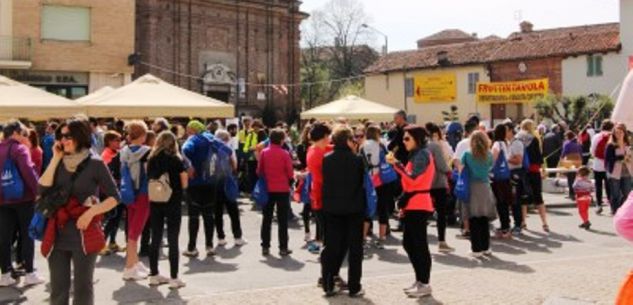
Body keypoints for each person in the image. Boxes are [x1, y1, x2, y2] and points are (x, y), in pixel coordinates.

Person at [38, 117, 119, 304]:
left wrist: (91, 212)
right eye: (61, 136)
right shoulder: (57, 160)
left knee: (83, 289)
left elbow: (115, 197)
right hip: (57, 232)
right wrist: (55, 159)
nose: (63, 140)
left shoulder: (96, 163)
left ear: (80, 136)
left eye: (68, 136)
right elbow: (41, 189)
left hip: (85, 233)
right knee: (58, 290)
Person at [386, 125, 434, 298]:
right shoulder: (417, 154)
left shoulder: (422, 154)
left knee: (418, 244)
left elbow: (413, 178)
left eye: (407, 139)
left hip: (419, 203)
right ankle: (420, 280)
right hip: (413, 203)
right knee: (410, 243)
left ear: (417, 139)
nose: (404, 142)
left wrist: (396, 164)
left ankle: (424, 282)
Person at [321, 126, 366, 297]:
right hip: (354, 208)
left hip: (332, 208)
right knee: (355, 249)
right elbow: (362, 183)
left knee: (332, 246)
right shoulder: (357, 160)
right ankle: (354, 286)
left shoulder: (327, 159)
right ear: (348, 141)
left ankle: (329, 283)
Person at [0, 121, 42, 287]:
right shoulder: (19, 149)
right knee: (27, 235)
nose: (25, 138)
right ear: (16, 133)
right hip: (23, 199)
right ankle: (30, 273)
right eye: (24, 134)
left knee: (4, 237)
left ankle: (5, 274)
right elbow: (28, 172)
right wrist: (39, 191)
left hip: (2, 200)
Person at [146, 131, 188, 289]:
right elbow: (184, 181)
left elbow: (148, 177)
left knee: (155, 238)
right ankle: (174, 278)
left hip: (155, 200)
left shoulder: (151, 159)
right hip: (173, 201)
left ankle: (154, 275)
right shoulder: (176, 159)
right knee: (173, 239)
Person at [120, 121, 152, 281]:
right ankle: (129, 268)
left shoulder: (124, 150)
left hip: (128, 194)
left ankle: (134, 263)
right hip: (143, 194)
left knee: (131, 230)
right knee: (135, 233)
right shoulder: (148, 152)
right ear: (142, 135)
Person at [181, 120, 217, 257]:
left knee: (194, 215)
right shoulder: (212, 138)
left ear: (193, 130)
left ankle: (192, 247)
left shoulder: (193, 139)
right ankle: (209, 246)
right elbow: (228, 150)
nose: (187, 132)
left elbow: (185, 150)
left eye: (188, 129)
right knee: (209, 214)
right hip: (211, 180)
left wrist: (189, 165)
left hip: (195, 181)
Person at [257, 129, 294, 256]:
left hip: (268, 188)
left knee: (266, 218)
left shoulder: (264, 152)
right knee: (282, 220)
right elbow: (290, 172)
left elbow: (259, 170)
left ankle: (265, 246)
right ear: (281, 140)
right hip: (282, 189)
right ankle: (283, 247)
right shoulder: (285, 153)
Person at [461, 131, 496, 258]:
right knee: (484, 219)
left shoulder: (467, 154)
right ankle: (486, 247)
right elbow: (491, 167)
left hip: (472, 187)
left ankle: (476, 249)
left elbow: (461, 167)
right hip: (485, 187)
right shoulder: (489, 154)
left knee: (474, 218)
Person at [360, 125, 394, 250]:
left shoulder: (362, 146)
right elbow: (387, 160)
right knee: (382, 209)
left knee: (367, 208)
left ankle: (363, 237)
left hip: (367, 181)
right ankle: (381, 238)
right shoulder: (380, 146)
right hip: (381, 180)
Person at [425, 123, 454, 252]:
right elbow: (442, 166)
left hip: (425, 183)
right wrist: (449, 169)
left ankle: (422, 242)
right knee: (441, 213)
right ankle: (441, 242)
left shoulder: (421, 147)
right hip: (438, 183)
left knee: (424, 213)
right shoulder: (435, 146)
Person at [213, 130, 245, 247]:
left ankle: (220, 237)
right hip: (227, 181)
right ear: (227, 138)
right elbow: (234, 165)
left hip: (214, 183)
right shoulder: (228, 149)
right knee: (233, 211)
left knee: (217, 212)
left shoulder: (212, 149)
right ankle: (237, 237)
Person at [517, 119, 549, 232]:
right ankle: (544, 223)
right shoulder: (534, 139)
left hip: (521, 171)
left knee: (523, 198)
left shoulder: (517, 139)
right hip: (534, 171)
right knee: (538, 197)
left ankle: (523, 222)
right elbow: (539, 157)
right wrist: (543, 170)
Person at [306, 123, 332, 254]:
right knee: (325, 225)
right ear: (325, 136)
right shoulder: (318, 153)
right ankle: (327, 252)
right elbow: (321, 178)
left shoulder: (313, 148)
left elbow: (331, 147)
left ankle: (322, 245)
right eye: (329, 136)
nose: (330, 138)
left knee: (322, 224)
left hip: (317, 192)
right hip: (321, 193)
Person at [100, 131, 125, 256]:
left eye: (120, 140)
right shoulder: (107, 155)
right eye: (116, 140)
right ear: (109, 141)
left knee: (118, 216)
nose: (119, 143)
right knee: (112, 217)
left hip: (118, 190)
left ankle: (113, 242)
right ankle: (101, 244)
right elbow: (107, 176)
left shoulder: (116, 153)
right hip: (110, 192)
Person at [453, 120, 478, 237]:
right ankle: (475, 227)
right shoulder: (480, 142)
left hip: (464, 176)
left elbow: (456, 160)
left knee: (465, 203)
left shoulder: (462, 143)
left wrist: (461, 170)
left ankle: (467, 228)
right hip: (478, 177)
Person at [605, 123, 633, 215]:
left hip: (627, 172)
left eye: (621, 132)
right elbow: (608, 159)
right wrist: (620, 158)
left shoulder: (628, 143)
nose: (619, 134)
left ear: (624, 133)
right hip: (614, 173)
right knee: (615, 194)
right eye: (616, 132)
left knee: (627, 194)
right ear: (614, 134)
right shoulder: (611, 145)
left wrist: (629, 158)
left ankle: (625, 211)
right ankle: (615, 211)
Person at [491, 124, 513, 239]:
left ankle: (504, 228)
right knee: (504, 202)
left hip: (498, 177)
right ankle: (506, 226)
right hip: (505, 176)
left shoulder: (497, 143)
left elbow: (493, 157)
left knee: (500, 202)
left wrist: (489, 167)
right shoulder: (506, 143)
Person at [506, 122, 525, 235]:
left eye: (505, 130)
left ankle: (518, 224)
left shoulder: (517, 143)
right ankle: (515, 223)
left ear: (510, 130)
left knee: (516, 200)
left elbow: (518, 160)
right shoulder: (507, 143)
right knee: (511, 201)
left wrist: (506, 159)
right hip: (509, 173)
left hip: (516, 173)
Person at [592, 120, 615, 215]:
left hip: (597, 164)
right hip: (609, 165)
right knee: (609, 186)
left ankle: (599, 205)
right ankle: (611, 206)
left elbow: (593, 150)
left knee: (598, 186)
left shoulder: (597, 136)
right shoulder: (612, 136)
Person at [560, 131, 583, 199]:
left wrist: (561, 158)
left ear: (567, 137)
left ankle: (571, 193)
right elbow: (581, 153)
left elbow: (564, 153)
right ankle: (575, 193)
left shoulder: (567, 144)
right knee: (575, 178)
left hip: (569, 162)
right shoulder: (578, 143)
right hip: (578, 162)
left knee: (570, 178)